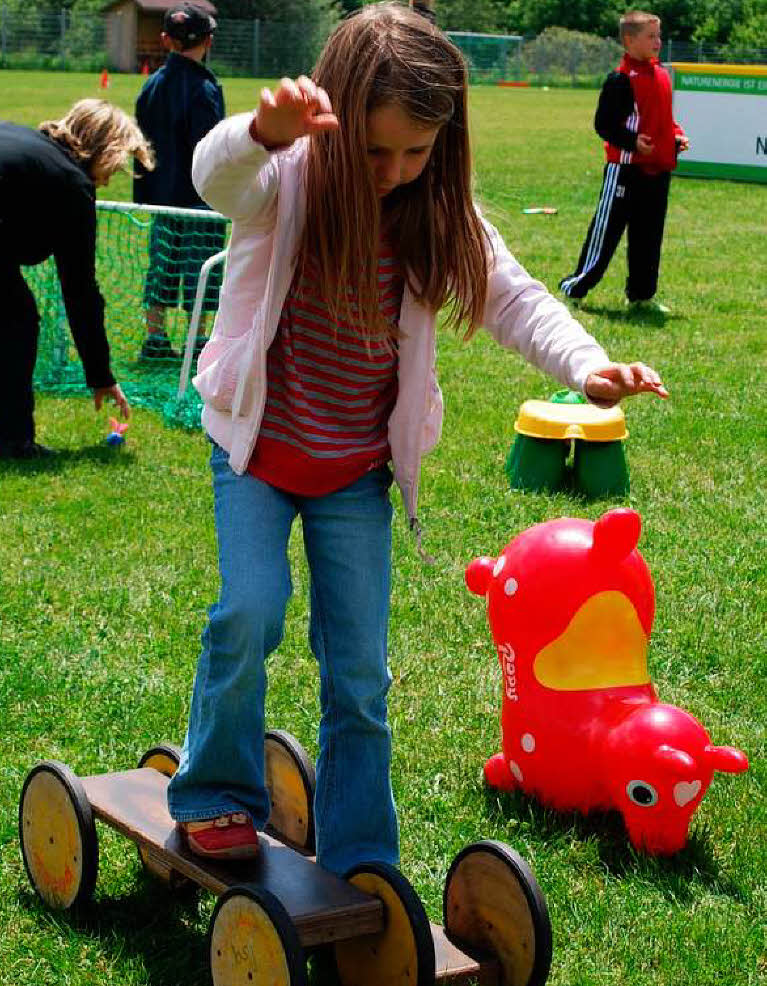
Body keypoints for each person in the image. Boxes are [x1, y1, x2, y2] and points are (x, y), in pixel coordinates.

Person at [167, 3, 669, 872]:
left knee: (360, 674)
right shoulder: (282, 179)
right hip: (256, 458)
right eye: (374, 150)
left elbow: (512, 298)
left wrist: (585, 366)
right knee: (248, 611)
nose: (394, 170)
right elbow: (214, 179)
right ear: (333, 119)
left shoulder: (436, 213)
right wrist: (259, 129)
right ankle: (215, 791)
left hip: (354, 474)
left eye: (415, 151)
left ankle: (360, 849)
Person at [0, 99, 153, 459]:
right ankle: (12, 440)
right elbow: (80, 291)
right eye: (115, 168)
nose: (110, 178)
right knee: (17, 319)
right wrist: (101, 375)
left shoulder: (21, 137)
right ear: (107, 151)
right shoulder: (70, 186)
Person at [559, 10, 688, 312]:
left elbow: (662, 120)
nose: (658, 41)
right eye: (651, 36)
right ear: (630, 40)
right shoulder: (620, 80)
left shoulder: (661, 75)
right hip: (625, 171)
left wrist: (675, 137)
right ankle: (576, 287)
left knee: (649, 234)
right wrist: (632, 143)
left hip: (657, 170)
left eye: (659, 35)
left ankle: (642, 295)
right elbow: (604, 124)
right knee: (606, 233)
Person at [134, 1, 226, 360]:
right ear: (209, 41)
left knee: (162, 264)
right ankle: (196, 340)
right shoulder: (205, 89)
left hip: (161, 196)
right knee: (201, 268)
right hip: (199, 197)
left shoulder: (151, 85)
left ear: (164, 40)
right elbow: (211, 148)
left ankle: (155, 336)